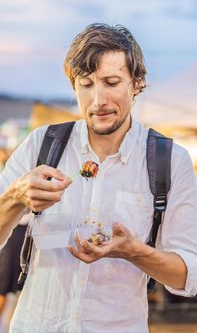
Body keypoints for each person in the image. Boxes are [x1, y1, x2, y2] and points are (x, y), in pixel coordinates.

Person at [0, 23, 197, 333]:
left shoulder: (171, 161)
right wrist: (14, 197)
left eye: (111, 82)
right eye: (86, 84)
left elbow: (187, 277)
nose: (98, 99)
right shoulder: (42, 144)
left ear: (137, 83)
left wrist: (134, 251)